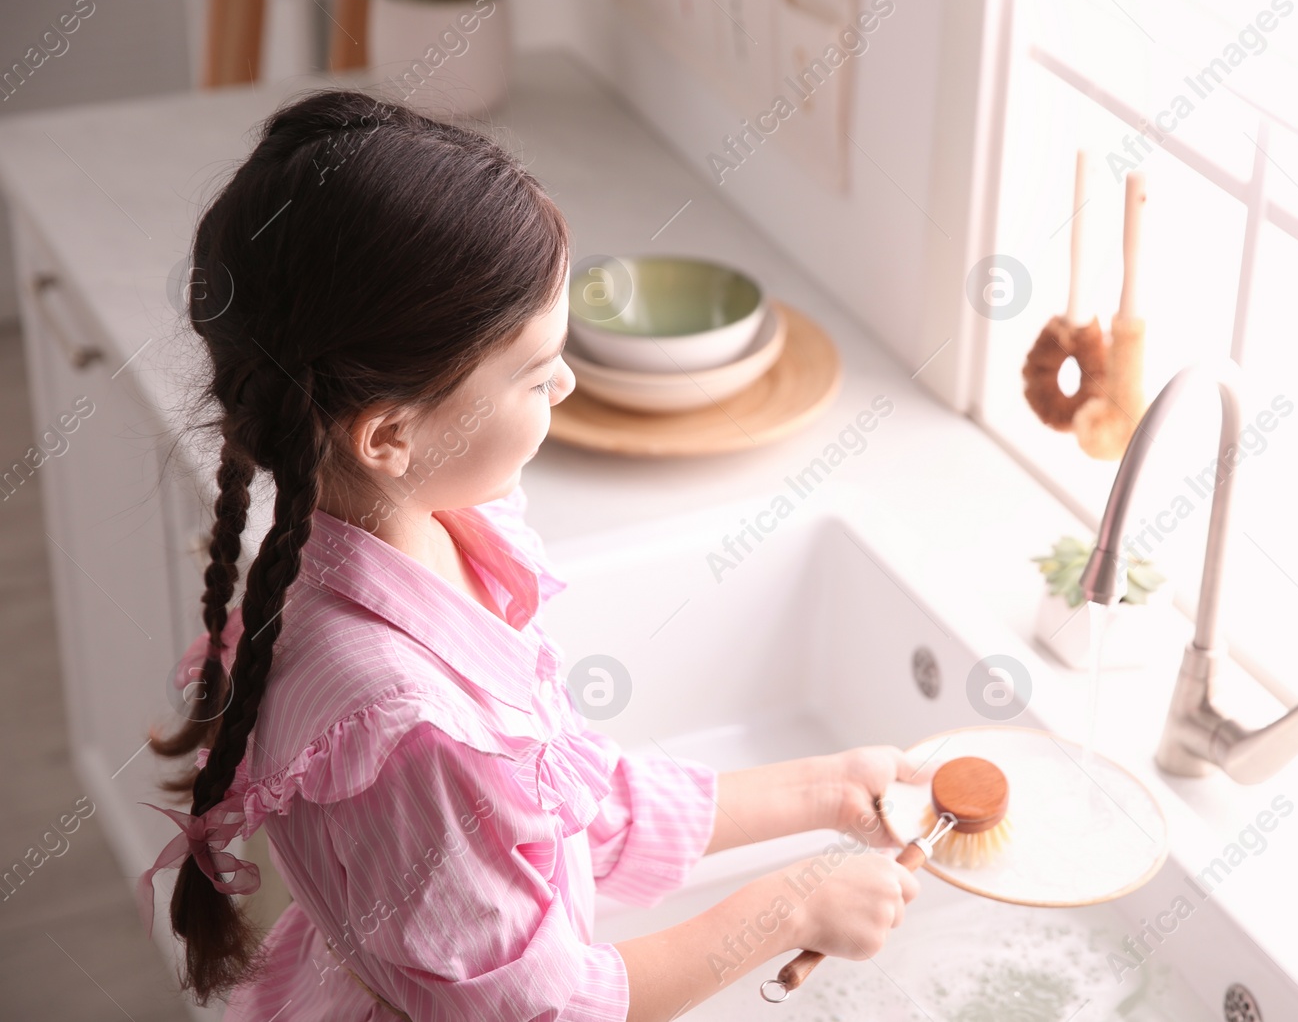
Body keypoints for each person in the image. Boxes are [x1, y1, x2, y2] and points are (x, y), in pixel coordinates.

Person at [142, 89, 921, 1021]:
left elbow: (558, 806)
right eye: (538, 370)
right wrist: (782, 909)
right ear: (388, 435)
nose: (570, 380)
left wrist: (826, 788)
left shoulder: (432, 529)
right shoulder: (410, 726)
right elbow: (536, 1008)